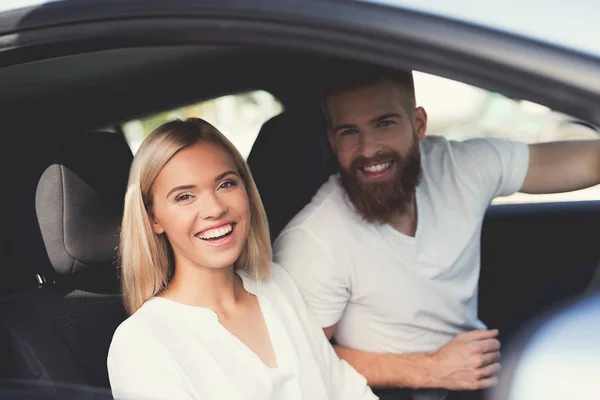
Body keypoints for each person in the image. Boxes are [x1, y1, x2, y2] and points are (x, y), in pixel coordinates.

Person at [273, 61, 600, 400]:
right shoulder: (315, 239)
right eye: (349, 132)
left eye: (384, 123)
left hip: (477, 375)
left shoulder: (458, 167)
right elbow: (300, 358)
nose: (368, 149)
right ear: (332, 139)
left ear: (418, 124)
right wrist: (429, 368)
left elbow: (572, 163)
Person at [107, 118, 377, 400]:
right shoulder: (142, 342)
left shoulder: (276, 285)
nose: (214, 209)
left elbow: (347, 391)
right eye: (185, 196)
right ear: (153, 219)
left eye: (226, 184)